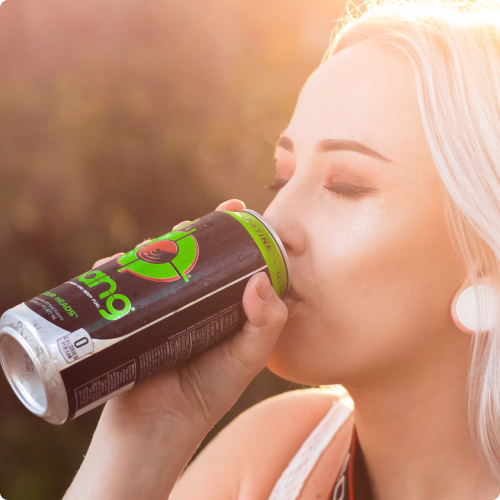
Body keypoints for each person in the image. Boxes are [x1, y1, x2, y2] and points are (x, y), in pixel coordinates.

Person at [63, 1, 500, 498]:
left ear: (483, 256)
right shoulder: (271, 458)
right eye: (281, 179)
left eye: (346, 185)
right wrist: (148, 435)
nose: (274, 224)